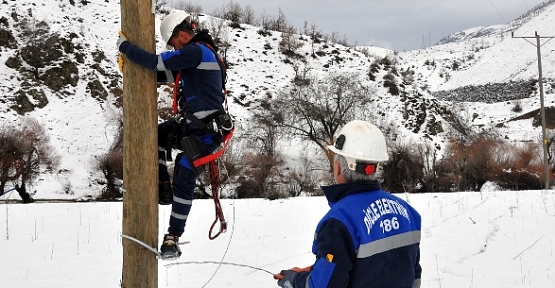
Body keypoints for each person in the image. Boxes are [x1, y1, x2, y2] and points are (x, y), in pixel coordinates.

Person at [116, 12, 230, 258]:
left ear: (181, 35)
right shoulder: (200, 55)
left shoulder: (195, 51)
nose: (174, 49)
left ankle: (172, 237)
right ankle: (162, 185)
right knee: (156, 135)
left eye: (174, 44)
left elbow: (157, 63)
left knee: (185, 168)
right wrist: (132, 70)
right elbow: (161, 74)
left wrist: (125, 47)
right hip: (194, 126)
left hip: (206, 133)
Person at [275, 120, 422, 288]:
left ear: (337, 167)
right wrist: (314, 271)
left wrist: (294, 280)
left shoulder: (338, 223)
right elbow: (409, 274)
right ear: (374, 167)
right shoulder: (408, 213)